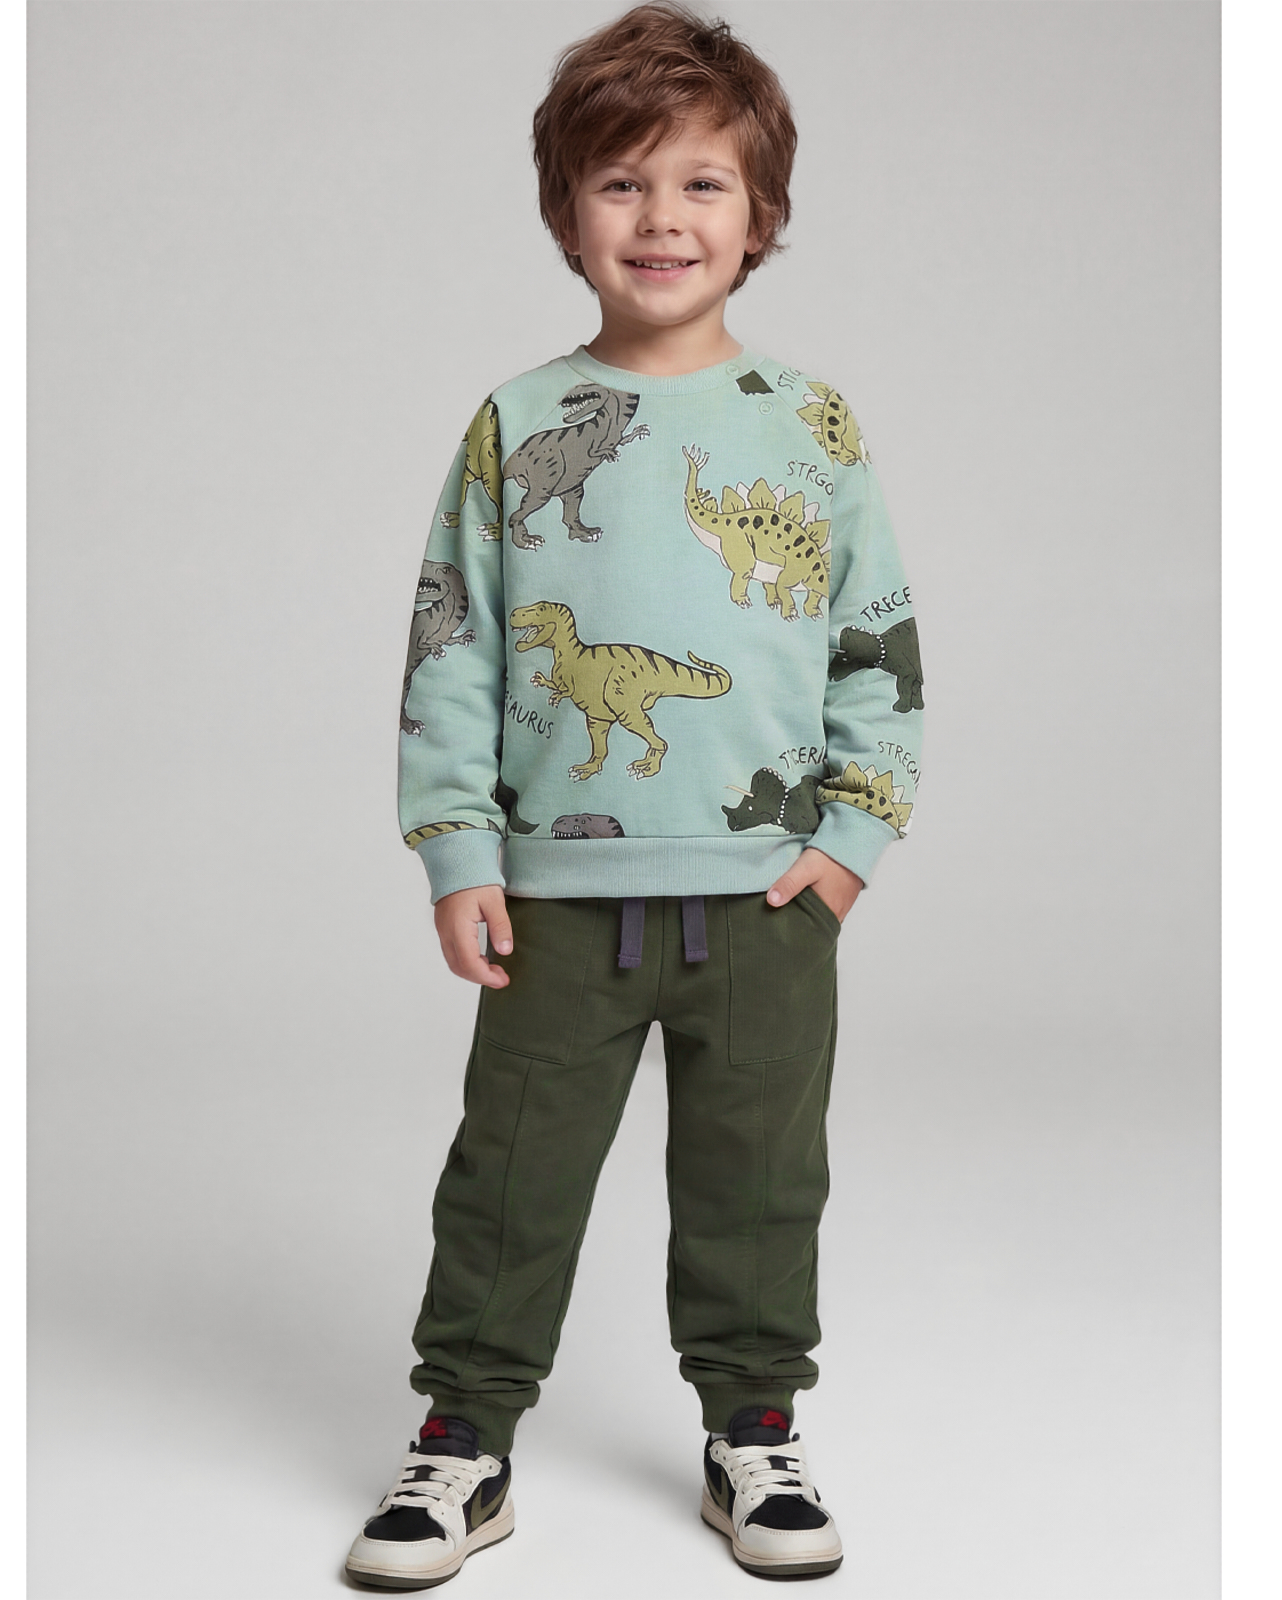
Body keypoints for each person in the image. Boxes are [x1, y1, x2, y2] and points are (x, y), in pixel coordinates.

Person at [348, 3, 924, 1587]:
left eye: (701, 184)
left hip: (767, 897)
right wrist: (459, 848)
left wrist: (853, 838)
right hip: (555, 894)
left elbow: (875, 639)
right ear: (565, 213)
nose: (661, 219)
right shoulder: (515, 423)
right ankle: (464, 1440)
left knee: (759, 1179)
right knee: (509, 1177)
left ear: (761, 214)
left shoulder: (810, 427)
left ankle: (756, 1429)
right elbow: (452, 642)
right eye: (620, 182)